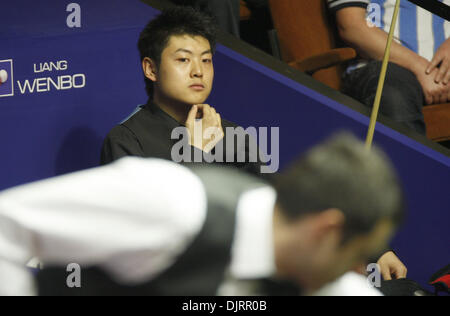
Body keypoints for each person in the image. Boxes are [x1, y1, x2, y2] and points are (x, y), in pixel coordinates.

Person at [0, 133, 405, 295]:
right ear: (326, 229)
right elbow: (7, 225)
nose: (356, 269)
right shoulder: (171, 203)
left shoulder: (331, 286)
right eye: (357, 254)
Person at [100, 6, 264, 176]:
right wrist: (197, 152)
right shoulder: (126, 140)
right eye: (184, 59)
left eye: (206, 60)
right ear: (151, 69)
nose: (198, 71)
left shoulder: (230, 133)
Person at [327, 0, 450, 135]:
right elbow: (352, 27)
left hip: (445, 68)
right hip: (385, 68)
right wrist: (420, 67)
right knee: (393, 94)